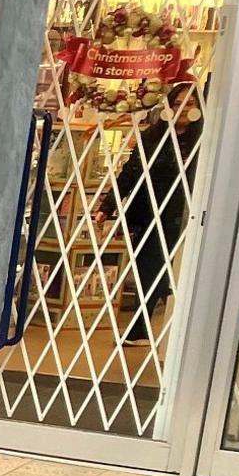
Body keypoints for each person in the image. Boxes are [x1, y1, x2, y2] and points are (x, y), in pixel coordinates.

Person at [102, 81, 204, 348]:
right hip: (148, 213)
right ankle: (141, 328)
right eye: (178, 102)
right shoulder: (151, 138)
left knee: (159, 269)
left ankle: (141, 328)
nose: (184, 108)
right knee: (148, 270)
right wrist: (107, 206)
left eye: (190, 103)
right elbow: (129, 173)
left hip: (183, 216)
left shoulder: (205, 142)